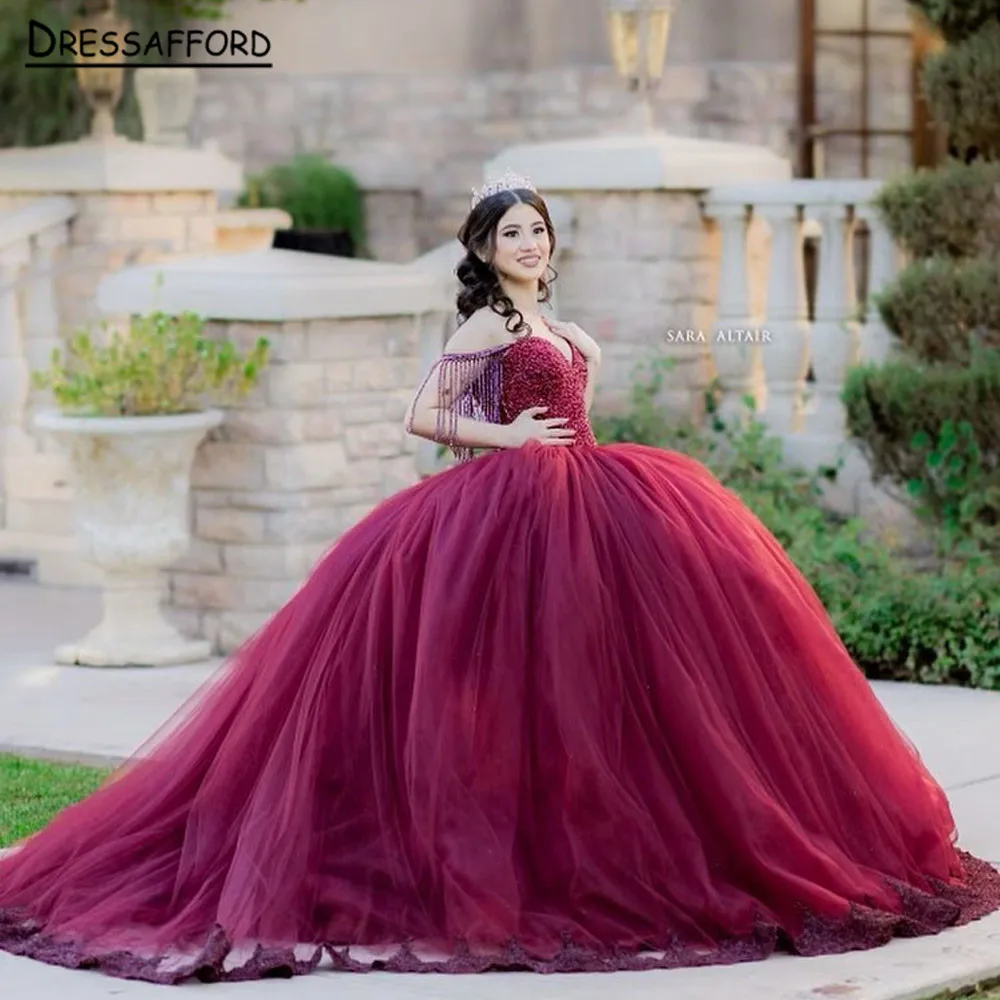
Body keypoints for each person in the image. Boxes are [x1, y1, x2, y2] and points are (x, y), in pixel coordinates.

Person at [1, 172, 998, 986]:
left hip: (596, 511)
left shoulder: (568, 334)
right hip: (510, 515)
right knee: (501, 688)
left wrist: (554, 433)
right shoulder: (488, 332)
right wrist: (505, 433)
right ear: (480, 251)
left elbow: (583, 420)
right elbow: (422, 416)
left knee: (618, 690)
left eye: (537, 230)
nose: (528, 242)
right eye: (510, 232)